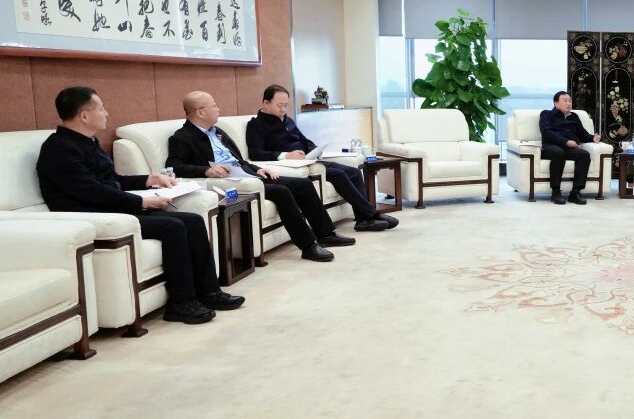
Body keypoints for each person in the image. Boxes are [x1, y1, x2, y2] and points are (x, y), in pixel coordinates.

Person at [36, 86, 243, 325]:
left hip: (111, 206)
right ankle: (181, 302)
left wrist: (148, 180)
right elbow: (90, 191)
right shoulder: (59, 149)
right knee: (173, 226)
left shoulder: (87, 143)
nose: (106, 113)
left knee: (193, 221)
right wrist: (141, 201)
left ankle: (209, 292)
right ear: (84, 115)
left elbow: (111, 181)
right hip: (91, 214)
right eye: (101, 108)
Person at [166, 91, 352, 262]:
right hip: (229, 182)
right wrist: (206, 170)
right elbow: (174, 166)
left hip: (247, 174)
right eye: (214, 105)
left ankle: (326, 234)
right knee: (281, 192)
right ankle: (308, 246)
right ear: (200, 112)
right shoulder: (182, 137)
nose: (218, 109)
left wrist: (257, 169)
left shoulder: (218, 132)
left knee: (303, 184)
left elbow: (239, 160)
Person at [244, 85, 397, 232]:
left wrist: (314, 150)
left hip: (309, 160)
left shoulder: (287, 120)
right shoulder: (256, 125)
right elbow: (255, 153)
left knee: (354, 172)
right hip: (293, 167)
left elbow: (304, 140)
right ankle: (372, 215)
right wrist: (286, 155)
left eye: (286, 105)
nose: (283, 109)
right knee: (339, 174)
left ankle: (363, 219)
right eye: (279, 105)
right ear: (266, 103)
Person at [539, 91, 602, 205]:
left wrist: (593, 138)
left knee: (584, 155)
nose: (568, 103)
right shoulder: (546, 114)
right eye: (565, 101)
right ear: (556, 103)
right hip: (551, 146)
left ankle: (575, 192)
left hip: (569, 149)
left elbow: (583, 134)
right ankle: (556, 192)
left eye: (570, 101)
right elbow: (547, 133)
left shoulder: (574, 117)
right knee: (559, 153)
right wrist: (566, 142)